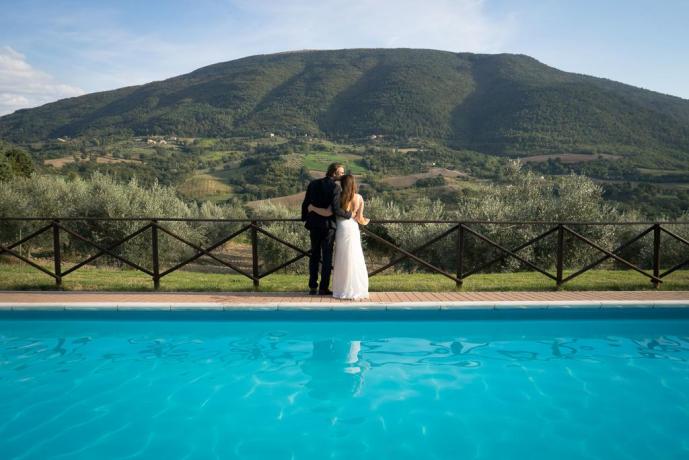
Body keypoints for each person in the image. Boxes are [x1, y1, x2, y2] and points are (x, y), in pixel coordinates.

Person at [307, 174, 369, 300]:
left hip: (341, 228)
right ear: (353, 184)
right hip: (352, 228)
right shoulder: (359, 198)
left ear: (342, 184)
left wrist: (312, 208)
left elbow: (328, 212)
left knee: (341, 257)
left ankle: (342, 288)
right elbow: (359, 218)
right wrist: (367, 221)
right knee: (355, 256)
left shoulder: (338, 197)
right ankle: (357, 288)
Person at [301, 163, 352, 295]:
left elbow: (306, 203)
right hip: (328, 226)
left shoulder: (313, 184)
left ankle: (312, 286)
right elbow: (335, 210)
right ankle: (323, 287)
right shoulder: (335, 188)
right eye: (341, 173)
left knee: (314, 255)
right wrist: (349, 215)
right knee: (327, 257)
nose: (342, 175)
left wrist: (306, 218)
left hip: (313, 225)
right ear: (334, 173)